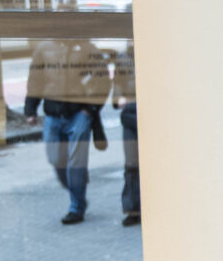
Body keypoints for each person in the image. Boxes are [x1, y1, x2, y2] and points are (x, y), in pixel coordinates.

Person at [23, 33, 112, 224]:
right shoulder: (44, 48)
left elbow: (103, 80)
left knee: (76, 164)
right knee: (56, 159)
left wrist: (90, 109)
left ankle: (76, 207)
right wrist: (30, 109)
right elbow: (35, 80)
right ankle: (77, 185)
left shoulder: (87, 48)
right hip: (52, 115)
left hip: (79, 115)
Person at [110, 40, 139, 226]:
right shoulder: (123, 57)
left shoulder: (155, 50)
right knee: (131, 164)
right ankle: (132, 209)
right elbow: (118, 81)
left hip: (152, 113)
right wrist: (118, 98)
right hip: (129, 114)